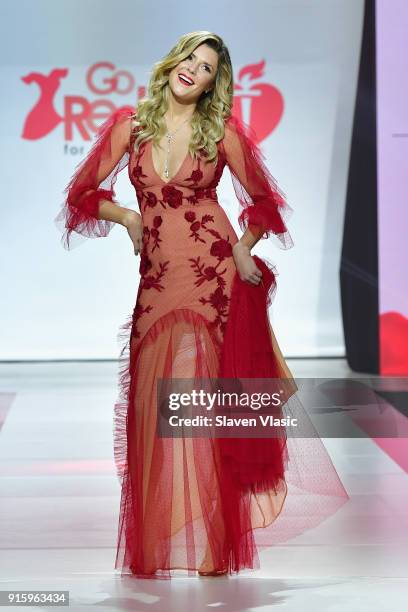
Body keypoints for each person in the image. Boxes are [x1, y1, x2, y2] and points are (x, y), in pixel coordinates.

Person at [55, 31, 349, 580]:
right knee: (151, 407)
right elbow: (82, 195)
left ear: (216, 83)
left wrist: (242, 246)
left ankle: (217, 547)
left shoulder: (221, 134)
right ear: (172, 63)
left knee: (209, 411)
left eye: (208, 67)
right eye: (190, 58)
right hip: (158, 280)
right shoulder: (129, 127)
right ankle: (155, 545)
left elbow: (265, 202)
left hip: (214, 276)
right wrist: (129, 219)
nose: (195, 70)